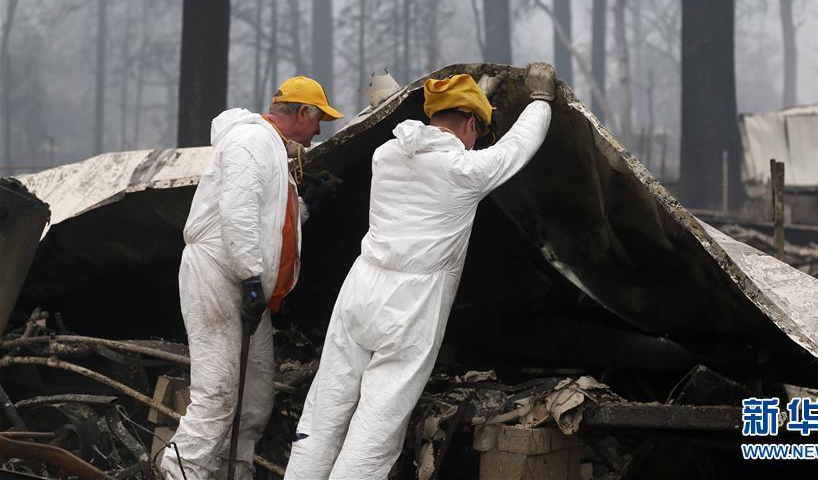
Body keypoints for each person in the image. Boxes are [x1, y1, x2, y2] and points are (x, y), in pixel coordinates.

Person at [284, 63, 556, 479]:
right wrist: (540, 101)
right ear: (469, 124)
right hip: (410, 307)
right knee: (374, 431)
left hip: (360, 292)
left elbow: (438, 139)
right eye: (477, 131)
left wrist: (478, 95)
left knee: (323, 414)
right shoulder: (465, 172)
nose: (476, 143)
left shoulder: (386, 155)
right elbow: (518, 146)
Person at [160, 76, 344, 480]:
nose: (319, 131)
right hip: (220, 275)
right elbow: (238, 212)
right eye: (319, 120)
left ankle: (234, 473)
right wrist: (249, 278)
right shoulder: (251, 141)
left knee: (255, 400)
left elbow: (270, 226)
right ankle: (178, 473)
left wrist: (305, 205)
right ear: (302, 113)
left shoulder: (273, 148)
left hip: (247, 284)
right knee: (217, 393)